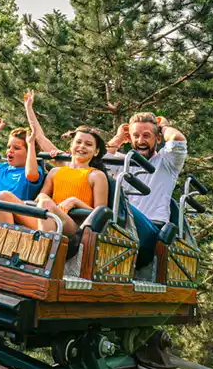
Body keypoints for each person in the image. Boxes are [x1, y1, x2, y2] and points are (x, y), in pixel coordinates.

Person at [106, 112, 188, 269]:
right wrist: (118, 138)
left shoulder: (166, 162)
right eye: (136, 136)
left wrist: (163, 126)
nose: (141, 141)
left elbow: (177, 139)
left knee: (117, 198)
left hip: (151, 231)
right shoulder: (122, 161)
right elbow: (97, 161)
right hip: (119, 226)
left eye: (146, 135)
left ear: (158, 138)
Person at [33, 126, 110, 273]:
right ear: (71, 146)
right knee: (4, 196)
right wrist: (43, 198)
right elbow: (41, 197)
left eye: (88, 144)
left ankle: (43, 260)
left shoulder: (96, 175)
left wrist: (75, 201)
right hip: (50, 219)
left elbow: (101, 214)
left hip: (74, 228)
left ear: (96, 151)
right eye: (78, 142)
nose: (82, 146)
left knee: (46, 204)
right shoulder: (55, 171)